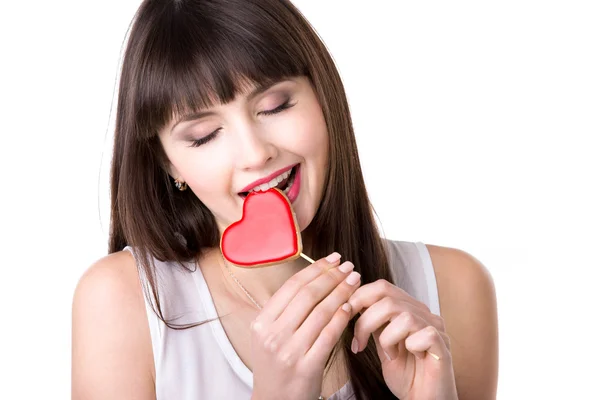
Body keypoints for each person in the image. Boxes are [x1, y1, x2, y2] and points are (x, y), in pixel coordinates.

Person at [71, 1, 498, 399]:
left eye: (275, 105)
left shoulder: (454, 288)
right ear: (169, 165)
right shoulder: (121, 304)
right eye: (204, 135)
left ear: (322, 94)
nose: (256, 153)